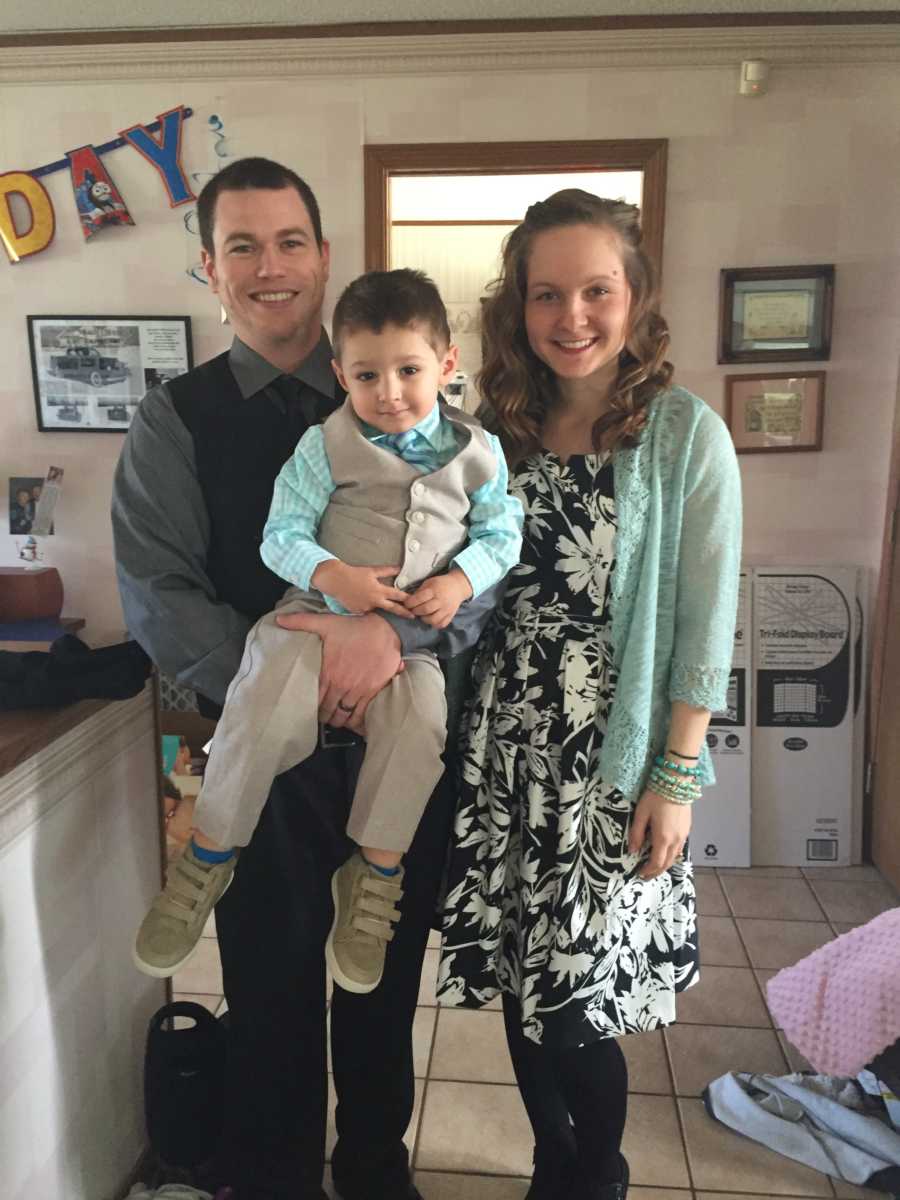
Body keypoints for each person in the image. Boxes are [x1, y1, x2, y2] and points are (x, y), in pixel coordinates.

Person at [112, 156, 505, 1200]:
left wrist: (402, 645)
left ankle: (376, 1175)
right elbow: (160, 597)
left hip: (402, 750)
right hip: (265, 756)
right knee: (272, 993)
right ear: (210, 268)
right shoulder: (175, 421)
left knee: (377, 980)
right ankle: (275, 1181)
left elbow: (489, 574)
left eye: (290, 242)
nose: (269, 266)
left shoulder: (430, 418)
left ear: (324, 255)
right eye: (242, 246)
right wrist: (312, 657)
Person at [437, 190, 743, 1200]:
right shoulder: (495, 434)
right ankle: (551, 1168)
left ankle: (595, 1176)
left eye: (596, 291)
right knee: (525, 989)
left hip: (607, 765)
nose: (572, 317)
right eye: (546, 294)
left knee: (577, 1006)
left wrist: (677, 773)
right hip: (503, 749)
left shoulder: (684, 436)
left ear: (636, 296)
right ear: (516, 309)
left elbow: (705, 619)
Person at [132, 268, 523, 994]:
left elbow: (504, 537)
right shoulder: (323, 444)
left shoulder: (480, 452)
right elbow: (279, 536)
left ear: (446, 365)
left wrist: (461, 580)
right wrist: (332, 574)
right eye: (368, 375)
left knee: (422, 728)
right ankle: (209, 854)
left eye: (409, 370)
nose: (391, 392)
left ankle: (374, 876)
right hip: (309, 619)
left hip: (411, 646)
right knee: (262, 696)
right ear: (341, 374)